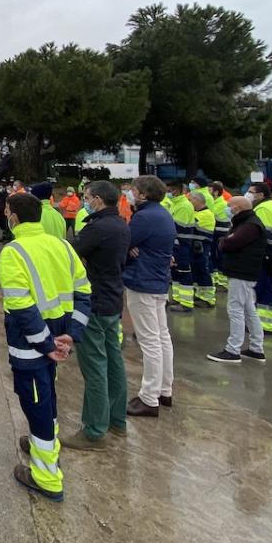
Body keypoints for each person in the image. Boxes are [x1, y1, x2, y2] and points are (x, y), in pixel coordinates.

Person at [0, 193, 90, 500]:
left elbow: (20, 304)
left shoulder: (14, 251)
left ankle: (47, 477)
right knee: (47, 395)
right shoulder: (62, 245)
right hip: (59, 338)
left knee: (35, 401)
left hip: (33, 343)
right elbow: (84, 293)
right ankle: (43, 444)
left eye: (7, 211)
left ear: (13, 216)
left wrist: (46, 343)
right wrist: (72, 334)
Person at [71, 181, 130, 450]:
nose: (85, 201)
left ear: (97, 199)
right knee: (114, 359)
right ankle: (117, 420)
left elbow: (72, 253)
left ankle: (94, 430)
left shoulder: (97, 228)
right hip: (114, 299)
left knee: (94, 365)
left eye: (86, 197)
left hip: (94, 302)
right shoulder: (121, 224)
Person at [122, 176, 177, 417]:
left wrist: (129, 247)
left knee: (149, 341)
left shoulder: (144, 217)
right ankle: (164, 389)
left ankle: (149, 397)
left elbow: (125, 240)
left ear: (143, 194)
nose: (130, 194)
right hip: (157, 281)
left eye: (133, 190)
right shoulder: (162, 214)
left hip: (142, 281)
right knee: (161, 337)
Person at [206, 196, 268, 364]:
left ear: (238, 208)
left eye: (229, 206)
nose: (227, 208)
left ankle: (233, 350)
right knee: (248, 309)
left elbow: (231, 243)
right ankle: (256, 348)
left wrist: (224, 241)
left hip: (242, 272)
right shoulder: (245, 222)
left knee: (236, 309)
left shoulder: (250, 225)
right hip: (243, 271)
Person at [247, 182, 272, 334]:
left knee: (264, 288)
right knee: (264, 288)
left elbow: (259, 233)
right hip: (270, 253)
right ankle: (260, 323)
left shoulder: (264, 209)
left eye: (251, 192)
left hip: (265, 254)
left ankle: (265, 325)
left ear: (260, 195)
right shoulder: (268, 206)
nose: (248, 194)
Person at [165, 179, 196, 312]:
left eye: (168, 191)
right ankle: (178, 299)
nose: (167, 194)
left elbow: (178, 227)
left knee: (183, 272)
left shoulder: (183, 205)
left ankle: (186, 303)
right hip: (176, 244)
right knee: (176, 273)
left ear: (175, 191)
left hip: (181, 244)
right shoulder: (175, 204)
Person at [189, 192, 217, 308]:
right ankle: (200, 294)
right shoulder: (197, 212)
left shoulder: (206, 214)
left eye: (191, 200)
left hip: (202, 247)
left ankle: (208, 299)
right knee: (196, 270)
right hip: (196, 247)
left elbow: (192, 224)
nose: (189, 202)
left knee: (203, 270)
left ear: (198, 200)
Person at [209, 181, 231, 289]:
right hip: (216, 232)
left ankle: (223, 282)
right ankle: (217, 279)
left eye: (210, 190)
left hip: (220, 233)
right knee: (214, 255)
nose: (208, 192)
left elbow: (211, 215)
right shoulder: (216, 202)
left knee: (220, 256)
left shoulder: (220, 204)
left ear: (216, 192)